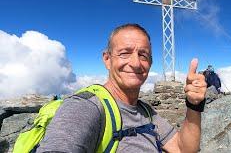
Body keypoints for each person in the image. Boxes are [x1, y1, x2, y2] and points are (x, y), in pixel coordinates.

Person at [36, 23, 207, 152]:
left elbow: (183, 149)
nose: (135, 63)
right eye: (124, 53)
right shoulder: (86, 106)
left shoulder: (145, 111)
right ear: (107, 59)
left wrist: (194, 105)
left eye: (143, 55)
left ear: (150, 63)